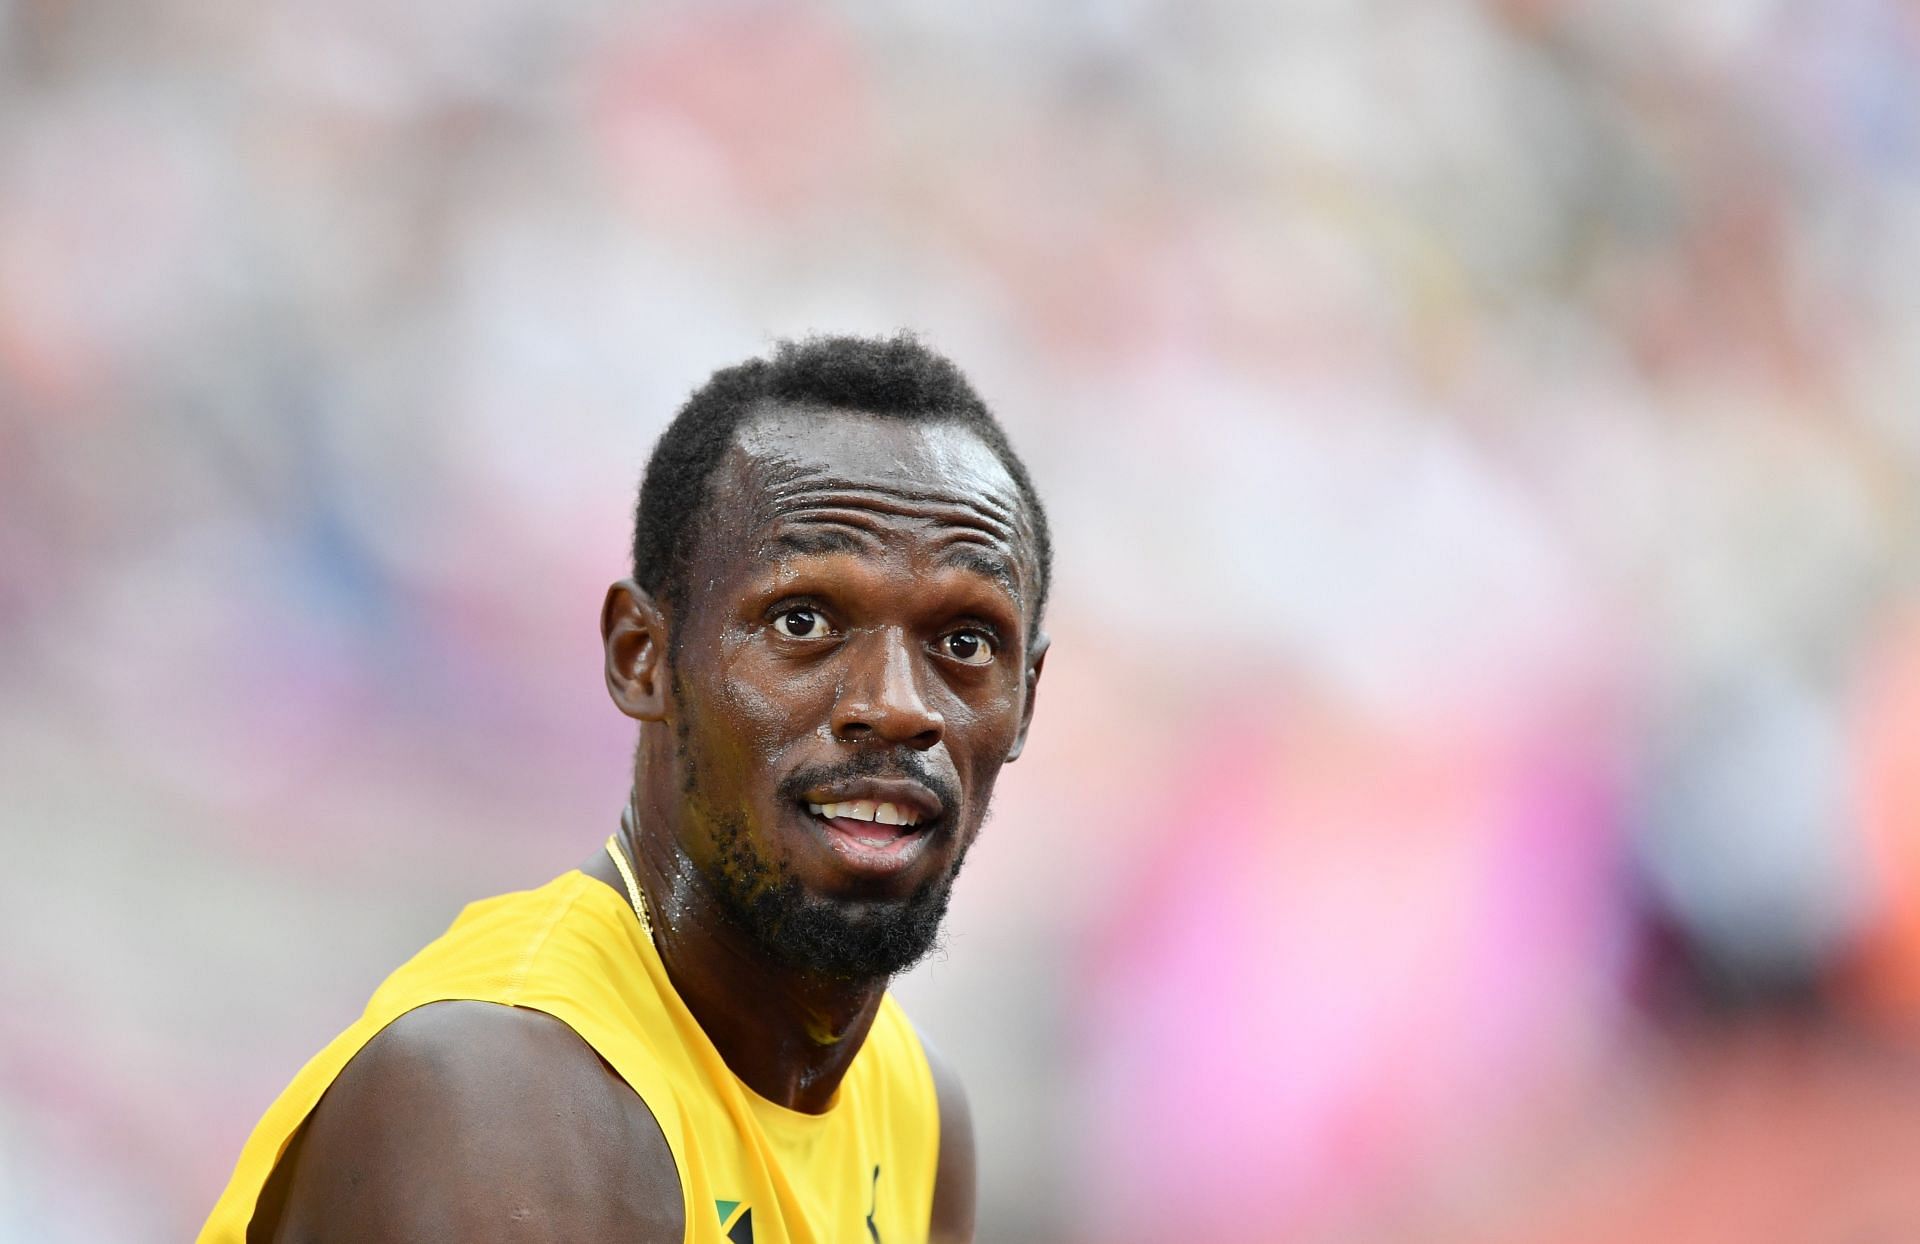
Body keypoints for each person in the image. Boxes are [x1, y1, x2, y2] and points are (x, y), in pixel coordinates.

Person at [198, 333, 1051, 1244]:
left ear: (1027, 702)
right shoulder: (499, 1098)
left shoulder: (917, 1114)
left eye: (964, 642)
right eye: (803, 620)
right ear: (640, 656)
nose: (894, 705)